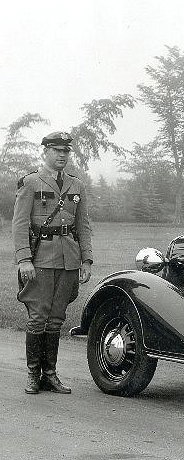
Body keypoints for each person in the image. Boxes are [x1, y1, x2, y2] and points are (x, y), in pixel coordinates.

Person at [12, 131, 93, 394]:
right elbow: (20, 224)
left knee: (56, 319)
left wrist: (86, 259)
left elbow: (83, 226)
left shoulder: (76, 185)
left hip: (68, 259)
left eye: (66, 151)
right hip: (40, 259)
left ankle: (50, 374)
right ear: (45, 151)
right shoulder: (31, 182)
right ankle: (33, 374)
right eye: (57, 150)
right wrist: (24, 259)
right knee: (38, 318)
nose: (62, 155)